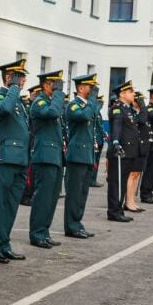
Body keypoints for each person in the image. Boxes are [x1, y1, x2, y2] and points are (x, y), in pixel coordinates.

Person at [0, 59, 29, 263]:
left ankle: (3, 243)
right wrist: (12, 88)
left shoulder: (17, 100)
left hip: (19, 159)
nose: (23, 81)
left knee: (11, 205)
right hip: (5, 158)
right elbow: (5, 110)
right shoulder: (0, 97)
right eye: (19, 77)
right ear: (9, 78)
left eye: (23, 77)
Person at [28, 70, 65, 249]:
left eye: (57, 85)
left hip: (55, 155)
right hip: (44, 155)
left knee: (52, 197)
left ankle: (45, 231)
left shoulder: (51, 102)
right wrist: (58, 94)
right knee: (43, 197)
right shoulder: (39, 102)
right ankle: (37, 233)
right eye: (53, 84)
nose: (56, 88)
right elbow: (53, 113)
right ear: (45, 85)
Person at [62, 74, 100, 239]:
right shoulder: (73, 105)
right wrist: (92, 101)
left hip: (86, 155)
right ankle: (71, 226)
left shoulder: (87, 106)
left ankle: (78, 223)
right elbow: (84, 116)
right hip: (76, 155)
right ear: (80, 88)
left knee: (83, 193)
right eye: (89, 87)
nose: (92, 91)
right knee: (74, 194)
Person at [106, 81, 137, 222]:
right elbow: (117, 126)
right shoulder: (118, 108)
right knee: (116, 182)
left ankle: (118, 209)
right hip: (120, 151)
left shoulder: (127, 108)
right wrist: (116, 142)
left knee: (122, 181)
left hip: (128, 151)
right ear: (123, 94)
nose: (134, 94)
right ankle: (114, 211)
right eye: (131, 92)